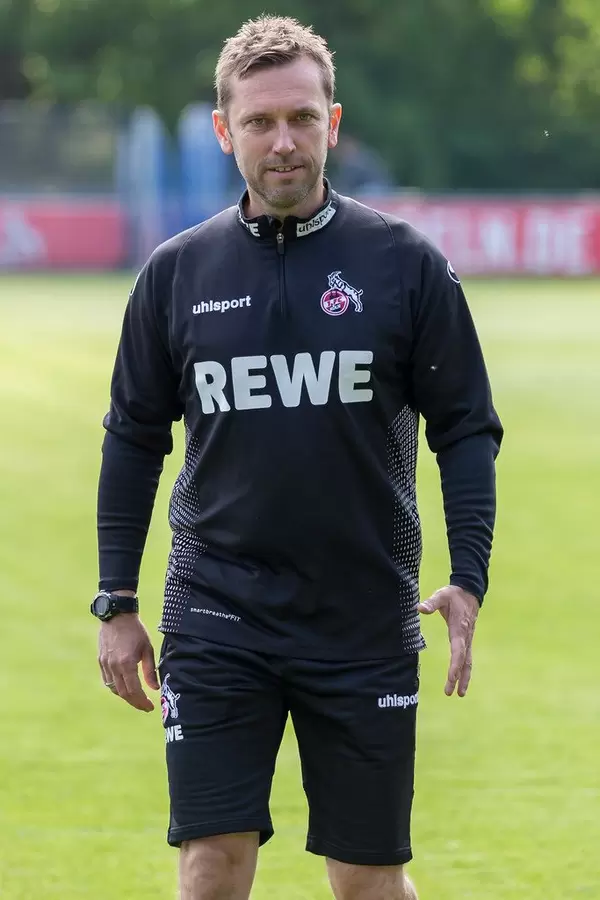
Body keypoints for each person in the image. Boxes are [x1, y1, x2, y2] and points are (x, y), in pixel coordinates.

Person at [92, 15, 503, 900]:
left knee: (366, 879)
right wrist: (116, 601)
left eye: (303, 120)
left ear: (334, 122)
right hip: (216, 616)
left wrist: (468, 577)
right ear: (223, 131)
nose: (285, 143)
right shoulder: (176, 275)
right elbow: (132, 437)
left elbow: (466, 428)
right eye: (261, 122)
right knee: (211, 866)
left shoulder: (405, 267)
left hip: (363, 619)